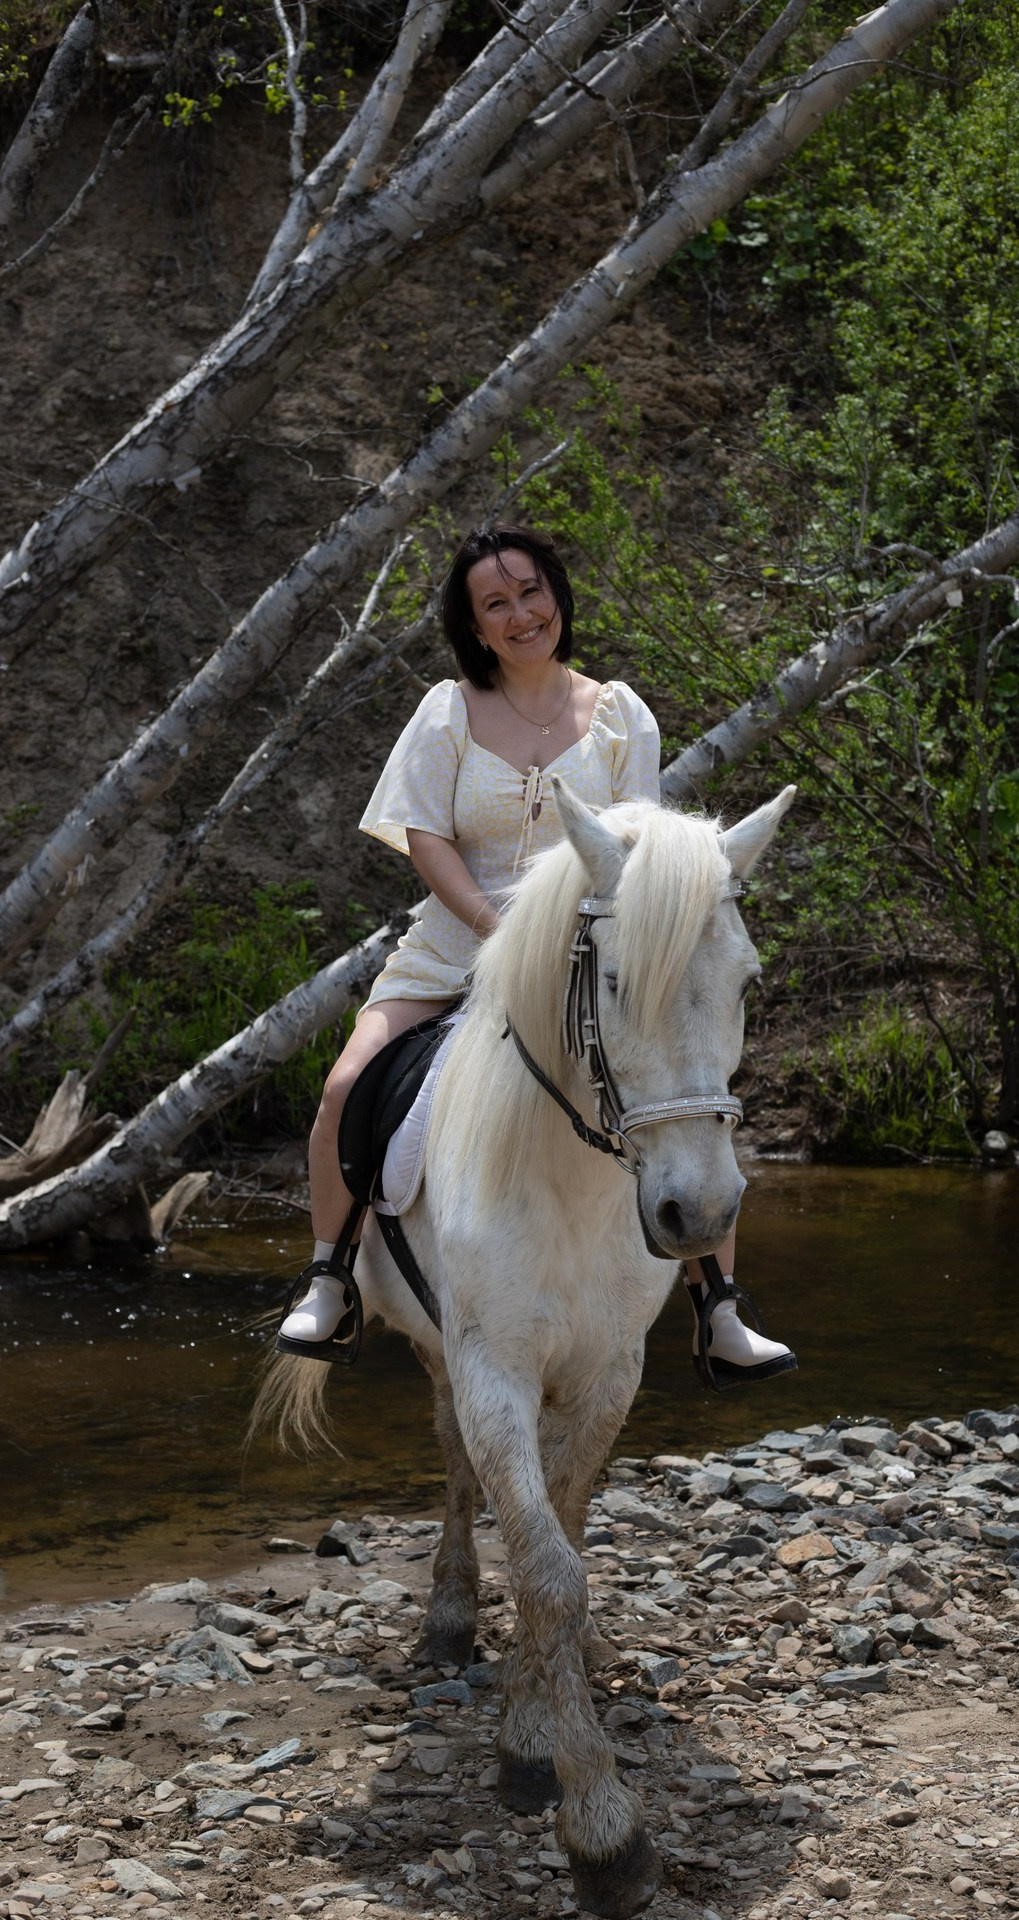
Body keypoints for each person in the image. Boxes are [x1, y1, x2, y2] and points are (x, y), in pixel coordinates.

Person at [277, 522, 795, 1387]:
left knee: (685, 1086)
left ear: (556, 595)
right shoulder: (447, 710)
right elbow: (424, 835)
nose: (520, 614)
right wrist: (492, 926)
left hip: (591, 958)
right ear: (475, 626)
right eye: (496, 604)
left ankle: (720, 1304)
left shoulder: (621, 714)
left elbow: (645, 853)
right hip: (456, 946)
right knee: (344, 1085)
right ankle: (332, 1274)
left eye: (531, 593)